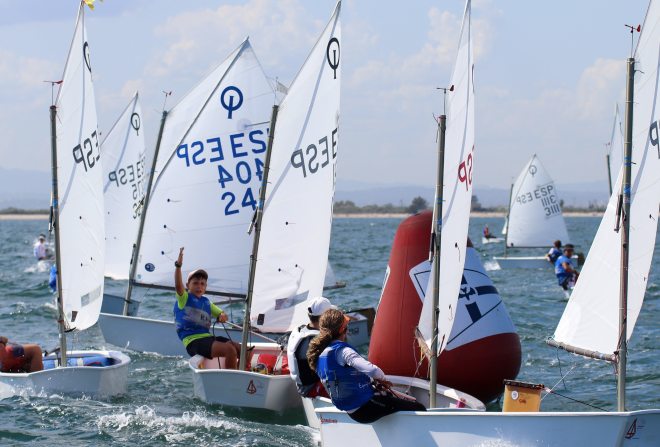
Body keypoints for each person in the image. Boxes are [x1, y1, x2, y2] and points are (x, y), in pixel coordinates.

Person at [307, 308, 426, 423]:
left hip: (352, 411)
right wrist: (382, 378)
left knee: (390, 398)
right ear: (345, 329)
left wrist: (373, 384)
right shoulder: (343, 352)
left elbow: (344, 380)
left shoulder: (321, 354)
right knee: (419, 407)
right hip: (365, 409)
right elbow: (373, 370)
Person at [173, 247, 242, 369]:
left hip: (207, 338)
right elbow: (178, 285)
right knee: (230, 350)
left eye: (202, 284)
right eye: (195, 283)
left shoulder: (207, 303)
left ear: (205, 287)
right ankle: (232, 383)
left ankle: (245, 375)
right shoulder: (184, 298)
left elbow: (223, 314)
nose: (199, 287)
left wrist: (222, 316)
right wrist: (178, 266)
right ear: (188, 285)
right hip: (193, 342)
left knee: (243, 349)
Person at [287, 297, 332, 399]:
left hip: (302, 385)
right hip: (311, 387)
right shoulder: (317, 340)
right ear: (325, 317)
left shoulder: (299, 331)